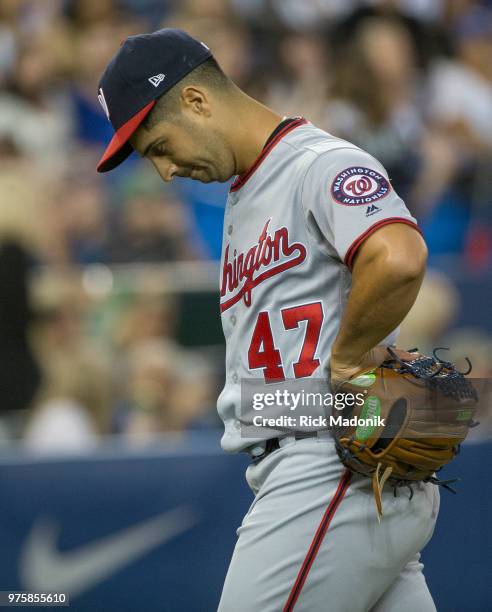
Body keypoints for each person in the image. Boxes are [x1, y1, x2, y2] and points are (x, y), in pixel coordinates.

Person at [96, 29, 436, 612]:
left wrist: (350, 357)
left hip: (327, 463)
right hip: (332, 470)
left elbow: (400, 258)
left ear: (197, 101)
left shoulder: (317, 162)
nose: (164, 171)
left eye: (158, 146)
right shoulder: (246, 190)